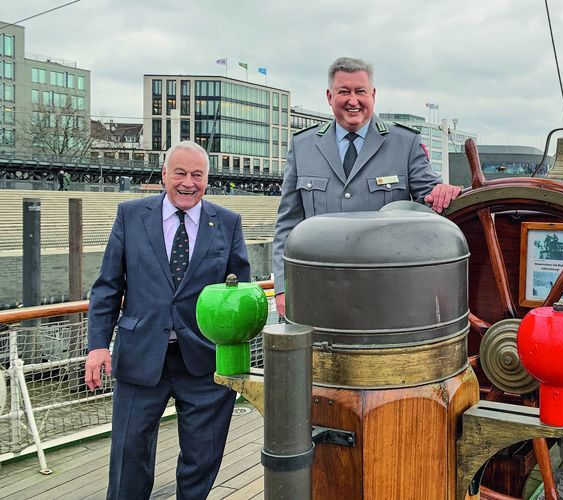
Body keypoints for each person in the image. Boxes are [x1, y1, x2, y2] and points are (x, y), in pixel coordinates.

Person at [84, 141, 250, 499]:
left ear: (207, 179)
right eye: (180, 173)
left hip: (204, 362)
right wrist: (98, 345)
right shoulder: (130, 215)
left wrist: (237, 357)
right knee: (129, 459)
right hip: (140, 357)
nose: (188, 182)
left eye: (197, 175)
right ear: (163, 175)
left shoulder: (227, 222)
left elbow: (241, 294)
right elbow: (108, 287)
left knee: (201, 459)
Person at [272, 56, 461, 316]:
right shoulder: (302, 146)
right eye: (344, 92)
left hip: (386, 294)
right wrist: (283, 288)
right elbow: (287, 223)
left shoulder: (404, 143)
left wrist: (445, 191)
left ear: (373, 95)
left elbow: (430, 200)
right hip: (318, 290)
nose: (353, 100)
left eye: (360, 91)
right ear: (329, 96)